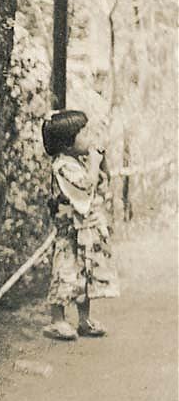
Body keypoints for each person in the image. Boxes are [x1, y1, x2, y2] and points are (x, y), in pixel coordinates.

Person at [41, 108, 118, 341]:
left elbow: (102, 183)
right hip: (69, 229)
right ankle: (57, 320)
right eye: (84, 134)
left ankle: (84, 319)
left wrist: (102, 163)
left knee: (87, 271)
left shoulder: (78, 160)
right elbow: (85, 185)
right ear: (66, 143)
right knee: (65, 271)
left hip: (86, 228)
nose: (89, 138)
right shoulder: (63, 165)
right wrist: (94, 163)